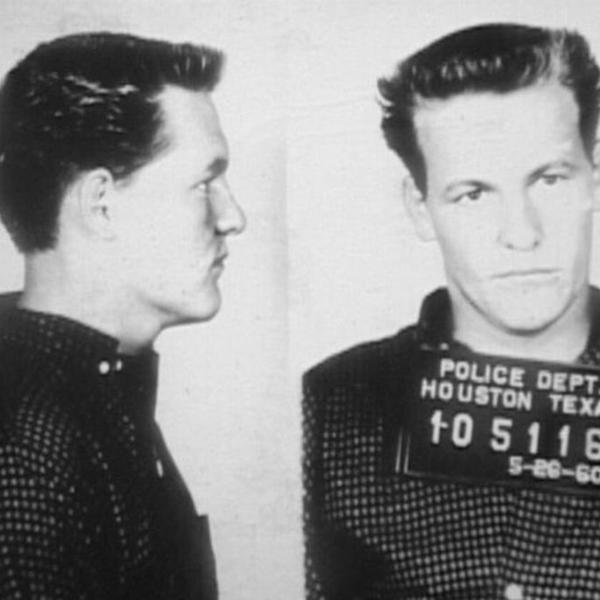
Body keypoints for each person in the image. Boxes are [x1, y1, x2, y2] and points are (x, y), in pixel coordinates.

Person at [303, 23, 600, 600]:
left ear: (594, 179)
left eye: (549, 179)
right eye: (473, 194)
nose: (521, 234)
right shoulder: (328, 410)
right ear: (420, 208)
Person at [0, 32, 245, 599]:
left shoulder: (93, 397)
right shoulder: (26, 456)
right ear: (102, 204)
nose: (233, 217)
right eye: (204, 183)